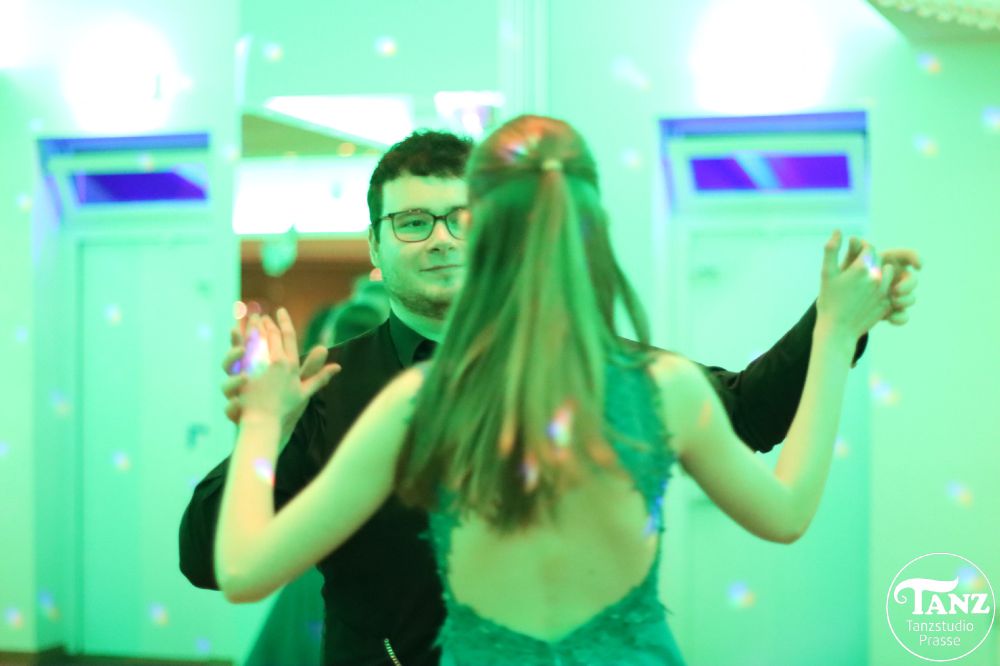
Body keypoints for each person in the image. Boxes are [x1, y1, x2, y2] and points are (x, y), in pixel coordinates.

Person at [179, 126, 921, 665]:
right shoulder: (329, 384)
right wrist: (272, 429)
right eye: (412, 222)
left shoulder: (435, 402)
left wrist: (832, 326)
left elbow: (752, 410)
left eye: (461, 219)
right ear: (374, 244)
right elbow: (209, 560)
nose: (441, 238)